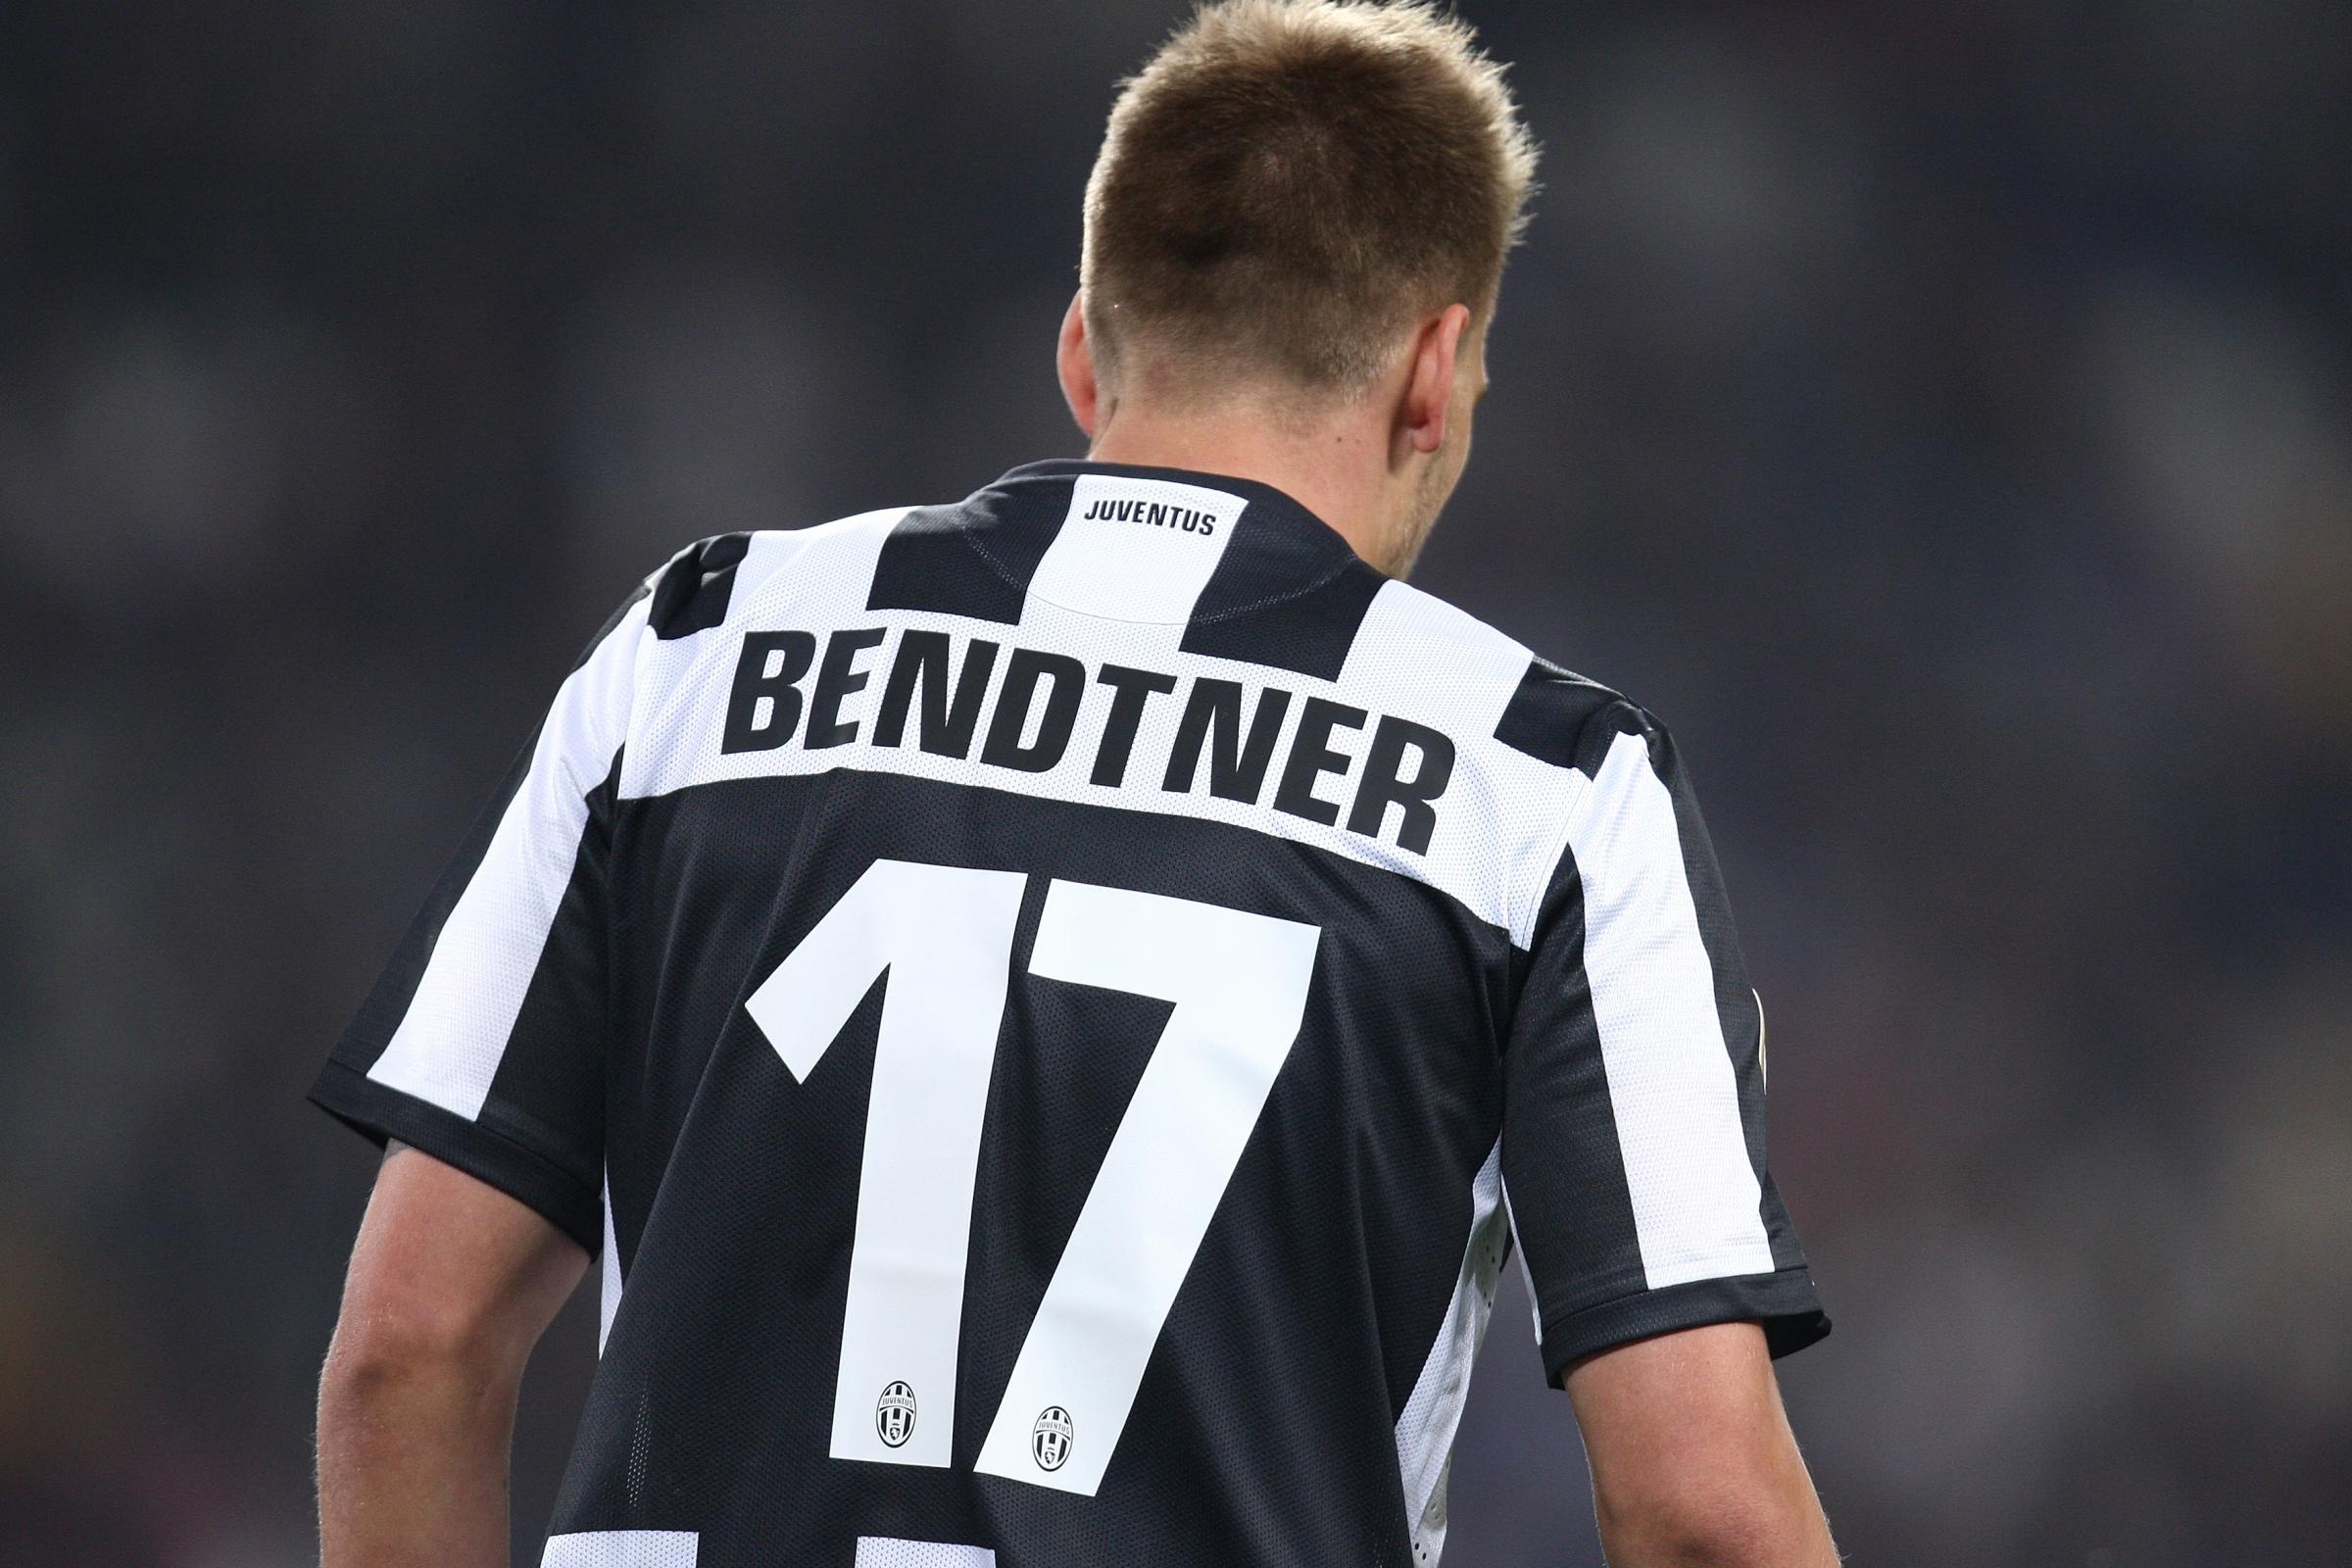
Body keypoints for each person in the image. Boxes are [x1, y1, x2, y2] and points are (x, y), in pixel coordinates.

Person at [312, 3, 1838, 1564]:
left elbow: (404, 1354)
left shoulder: (695, 654)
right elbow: (1702, 1512)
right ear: (1434, 376)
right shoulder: (1545, 786)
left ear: (1082, 354)